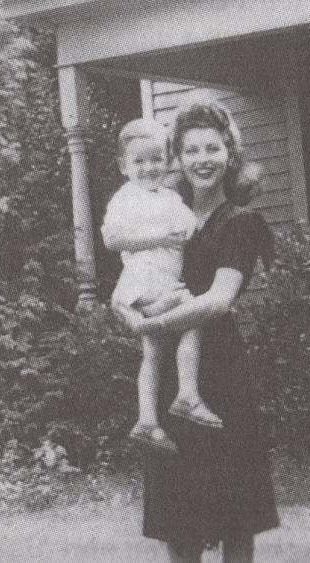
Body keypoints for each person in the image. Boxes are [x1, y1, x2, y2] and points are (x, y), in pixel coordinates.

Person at [122, 102, 280, 562]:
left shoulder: (241, 222)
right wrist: (130, 310)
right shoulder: (163, 215)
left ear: (230, 154)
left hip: (221, 376)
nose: (202, 159)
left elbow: (217, 301)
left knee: (235, 514)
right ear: (177, 157)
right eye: (191, 150)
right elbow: (134, 273)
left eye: (213, 148)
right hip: (170, 376)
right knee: (177, 511)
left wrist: (148, 324)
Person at [101, 118, 223, 456]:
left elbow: (191, 230)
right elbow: (111, 239)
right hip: (145, 276)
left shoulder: (169, 198)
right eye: (139, 161)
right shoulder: (126, 197)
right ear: (123, 167)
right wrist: (159, 237)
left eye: (156, 159)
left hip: (160, 279)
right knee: (194, 312)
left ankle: (148, 420)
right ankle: (186, 393)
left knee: (153, 352)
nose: (148, 167)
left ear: (168, 162)